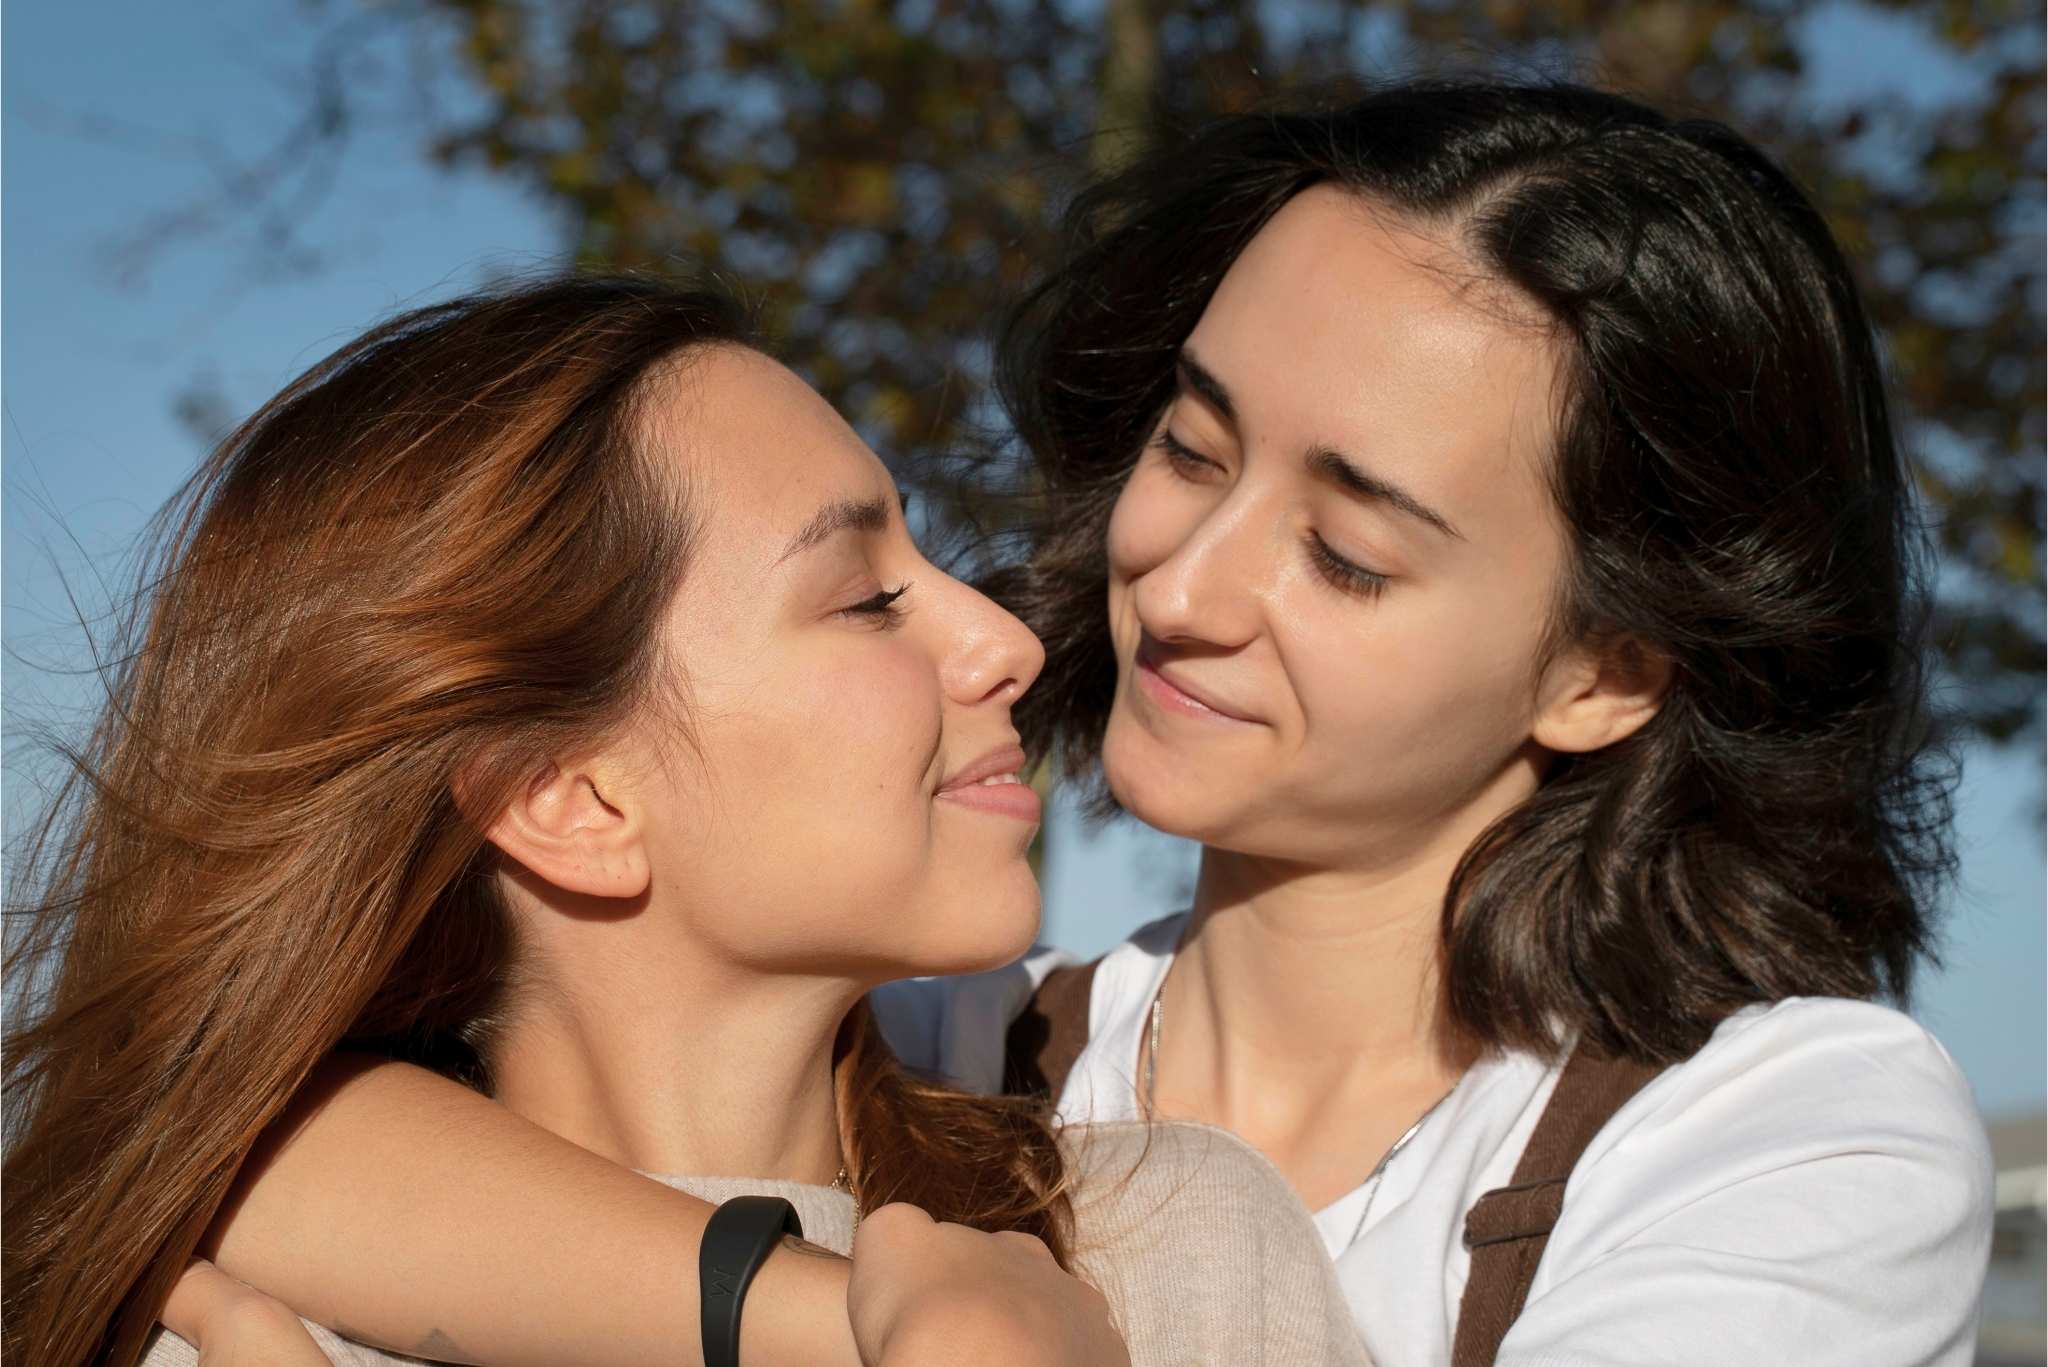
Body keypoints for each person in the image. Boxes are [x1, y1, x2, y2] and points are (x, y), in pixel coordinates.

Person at [143, 78, 1995, 1364]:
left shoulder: (1777, 1135)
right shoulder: (945, 1047)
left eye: (1347, 554)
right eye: (1191, 446)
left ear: (1607, 671)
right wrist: (855, 1319)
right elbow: (256, 1156)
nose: (1181, 585)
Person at [1, 275, 1366, 1367]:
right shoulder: (257, 1336)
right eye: (866, 599)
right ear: (572, 799)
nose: (1007, 640)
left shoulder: (1169, 1247)